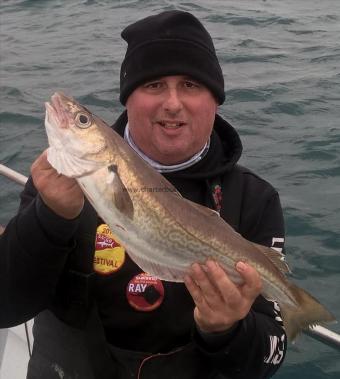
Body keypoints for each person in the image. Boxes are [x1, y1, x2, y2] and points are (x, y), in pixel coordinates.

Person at [0, 10, 287, 379]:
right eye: (153, 85)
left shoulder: (254, 199)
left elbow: (269, 357)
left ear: (214, 101)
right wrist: (49, 218)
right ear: (128, 99)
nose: (171, 103)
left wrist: (226, 330)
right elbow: (6, 307)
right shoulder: (62, 178)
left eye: (190, 85)